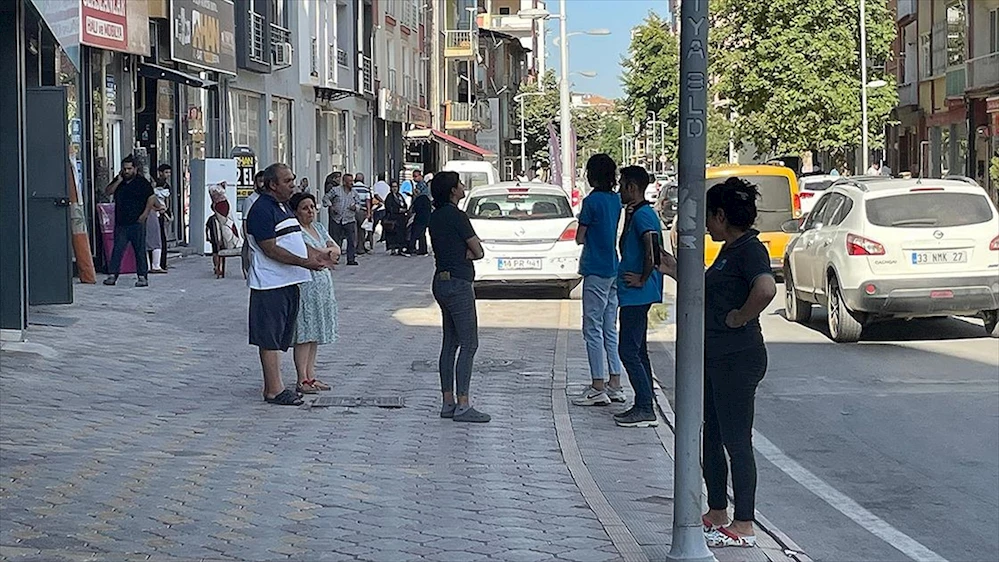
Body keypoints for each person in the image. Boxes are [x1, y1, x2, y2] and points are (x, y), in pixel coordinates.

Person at [657, 177, 777, 548]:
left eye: (708, 217)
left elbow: (766, 289)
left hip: (737, 358)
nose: (705, 225)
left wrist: (740, 317)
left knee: (736, 441)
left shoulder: (749, 250)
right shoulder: (729, 251)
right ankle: (717, 511)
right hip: (715, 357)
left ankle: (744, 524)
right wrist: (675, 269)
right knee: (712, 434)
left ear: (722, 216)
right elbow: (712, 291)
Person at [245, 163, 334, 406]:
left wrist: (318, 256)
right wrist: (305, 263)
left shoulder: (283, 207)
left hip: (289, 282)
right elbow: (270, 249)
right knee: (269, 338)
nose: (292, 185)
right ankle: (274, 389)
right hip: (270, 284)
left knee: (280, 337)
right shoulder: (262, 209)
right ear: (272, 185)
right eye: (287, 181)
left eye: (292, 179)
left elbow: (295, 240)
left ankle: (278, 386)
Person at [429, 171, 489, 423]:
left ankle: (448, 401)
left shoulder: (435, 216)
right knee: (469, 343)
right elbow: (478, 250)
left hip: (440, 281)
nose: (463, 186)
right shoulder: (458, 216)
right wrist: (467, 253)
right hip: (459, 282)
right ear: (453, 190)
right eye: (460, 184)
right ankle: (463, 404)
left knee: (449, 343)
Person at [571, 154, 626, 407]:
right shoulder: (615, 200)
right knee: (609, 328)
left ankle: (597, 386)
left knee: (592, 328)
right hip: (613, 267)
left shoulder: (591, 201)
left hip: (595, 268)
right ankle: (615, 383)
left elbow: (580, 237)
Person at [614, 166, 663, 428]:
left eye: (622, 185)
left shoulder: (644, 215)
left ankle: (644, 406)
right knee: (638, 349)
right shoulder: (636, 212)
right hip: (633, 294)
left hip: (637, 294)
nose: (619, 190)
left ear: (632, 187)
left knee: (628, 350)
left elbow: (651, 248)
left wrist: (642, 278)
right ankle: (645, 401)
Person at [289, 192, 341, 394]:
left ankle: (311, 375)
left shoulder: (319, 227)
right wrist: (325, 254)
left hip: (323, 286)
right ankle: (301, 378)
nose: (310, 211)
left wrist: (327, 253)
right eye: (305, 208)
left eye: (312, 207)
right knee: (304, 333)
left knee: (315, 334)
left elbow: (335, 249)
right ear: (296, 212)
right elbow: (311, 254)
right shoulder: (295, 231)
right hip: (305, 285)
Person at [103, 154, 156, 287]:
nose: (127, 171)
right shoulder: (119, 181)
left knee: (139, 250)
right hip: (121, 222)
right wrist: (118, 181)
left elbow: (151, 198)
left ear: (135, 169)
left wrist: (145, 214)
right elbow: (108, 192)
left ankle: (142, 276)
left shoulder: (142, 182)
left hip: (137, 221)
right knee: (118, 249)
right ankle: (112, 275)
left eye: (129, 169)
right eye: (125, 169)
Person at [325, 173, 359, 266]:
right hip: (337, 219)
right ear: (344, 182)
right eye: (349, 181)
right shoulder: (335, 190)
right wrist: (331, 206)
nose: (351, 183)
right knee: (335, 240)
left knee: (351, 240)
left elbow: (359, 204)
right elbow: (326, 198)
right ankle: (334, 258)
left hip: (349, 219)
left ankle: (351, 259)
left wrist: (355, 207)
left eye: (352, 181)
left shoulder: (354, 193)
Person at [206, 197, 240, 279]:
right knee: (218, 253)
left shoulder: (213, 218)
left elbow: (207, 229)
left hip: (215, 239)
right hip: (217, 239)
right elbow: (207, 229)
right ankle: (218, 266)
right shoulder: (220, 219)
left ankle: (217, 267)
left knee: (215, 253)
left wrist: (208, 237)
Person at [242, 171, 266, 278]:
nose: (263, 184)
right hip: (253, 237)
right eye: (261, 181)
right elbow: (245, 221)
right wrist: (248, 239)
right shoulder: (250, 200)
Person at [153, 164, 173, 271]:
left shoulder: (167, 186)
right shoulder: (154, 184)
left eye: (169, 172)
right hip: (155, 213)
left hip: (163, 213)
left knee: (162, 237)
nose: (168, 175)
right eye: (166, 172)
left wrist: (168, 212)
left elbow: (168, 201)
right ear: (160, 173)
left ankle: (162, 262)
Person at [407, 170, 432, 256]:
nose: (414, 178)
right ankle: (422, 249)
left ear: (420, 176)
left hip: (421, 212)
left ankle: (411, 248)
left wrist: (415, 195)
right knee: (421, 232)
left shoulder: (421, 186)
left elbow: (419, 197)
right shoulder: (423, 185)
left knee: (415, 230)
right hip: (425, 212)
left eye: (415, 176)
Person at [384, 180, 410, 255]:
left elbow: (404, 204)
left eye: (396, 186)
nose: (395, 188)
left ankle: (400, 248)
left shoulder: (399, 196)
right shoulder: (389, 196)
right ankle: (393, 249)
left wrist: (404, 209)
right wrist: (398, 210)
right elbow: (389, 207)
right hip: (393, 218)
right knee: (393, 234)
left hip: (401, 218)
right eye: (393, 187)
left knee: (401, 234)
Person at [353, 172, 373, 254]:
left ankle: (353, 247)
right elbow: (368, 201)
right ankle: (360, 248)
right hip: (362, 211)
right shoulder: (365, 188)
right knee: (362, 230)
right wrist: (369, 212)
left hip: (353, 211)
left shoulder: (352, 188)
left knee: (354, 230)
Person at [371, 173, 391, 243]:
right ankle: (383, 237)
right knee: (384, 223)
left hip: (377, 207)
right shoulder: (387, 186)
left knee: (374, 223)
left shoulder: (376, 185)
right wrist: (385, 202)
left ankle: (370, 236)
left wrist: (381, 201)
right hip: (385, 207)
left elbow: (375, 194)